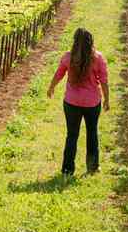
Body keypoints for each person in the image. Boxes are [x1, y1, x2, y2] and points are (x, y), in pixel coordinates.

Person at [47, 27, 109, 175]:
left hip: (71, 103)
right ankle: (92, 167)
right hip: (92, 103)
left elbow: (59, 74)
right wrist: (107, 99)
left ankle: (67, 169)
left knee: (72, 135)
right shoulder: (98, 58)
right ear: (91, 42)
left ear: (74, 41)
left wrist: (51, 87)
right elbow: (104, 81)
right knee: (92, 133)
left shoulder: (68, 57)